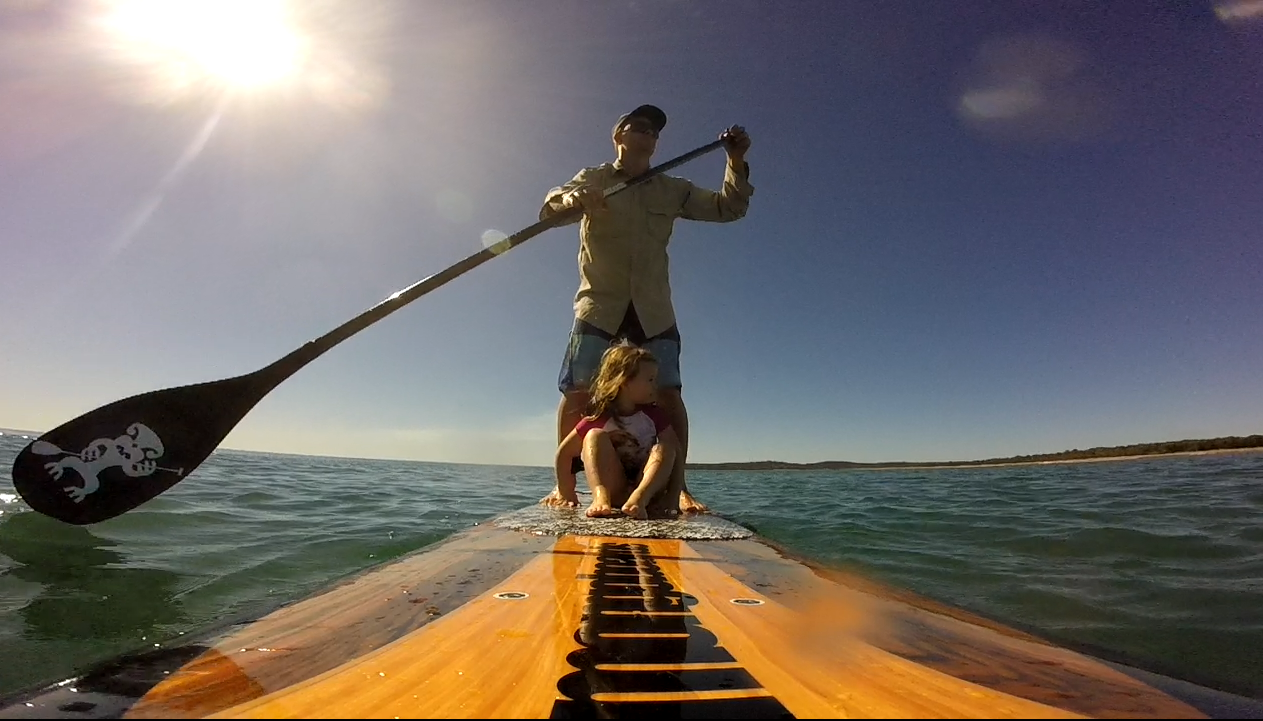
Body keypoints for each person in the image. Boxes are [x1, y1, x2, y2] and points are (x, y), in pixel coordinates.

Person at [537, 104, 754, 514]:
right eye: (636, 126)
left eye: (653, 130)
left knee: (669, 394)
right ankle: (564, 486)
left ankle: (680, 486)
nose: (646, 133)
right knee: (577, 392)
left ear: (657, 143)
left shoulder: (672, 189)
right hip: (599, 303)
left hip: (654, 308)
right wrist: (572, 198)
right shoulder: (594, 178)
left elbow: (730, 208)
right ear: (618, 136)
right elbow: (550, 211)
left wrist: (736, 161)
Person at [552, 341, 681, 519]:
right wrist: (566, 492)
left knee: (665, 447)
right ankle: (600, 497)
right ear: (624, 382)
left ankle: (639, 499)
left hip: (646, 490)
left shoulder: (655, 416)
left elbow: (676, 455)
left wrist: (673, 497)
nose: (655, 386)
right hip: (615, 490)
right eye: (650, 380)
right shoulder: (599, 418)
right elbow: (564, 453)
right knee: (594, 435)